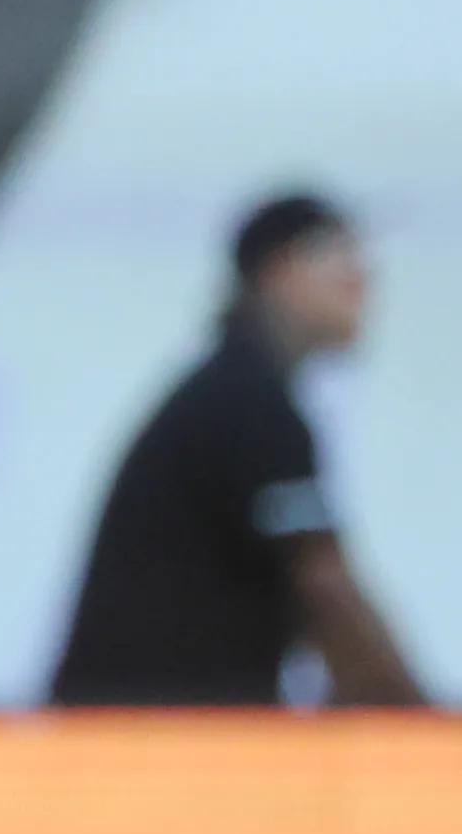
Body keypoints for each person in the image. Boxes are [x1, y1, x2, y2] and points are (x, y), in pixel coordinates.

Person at [49, 193, 426, 711]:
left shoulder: (227, 392)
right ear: (276, 269)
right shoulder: (249, 404)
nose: (361, 279)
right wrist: (431, 735)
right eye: (339, 254)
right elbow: (327, 594)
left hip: (137, 734)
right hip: (158, 743)